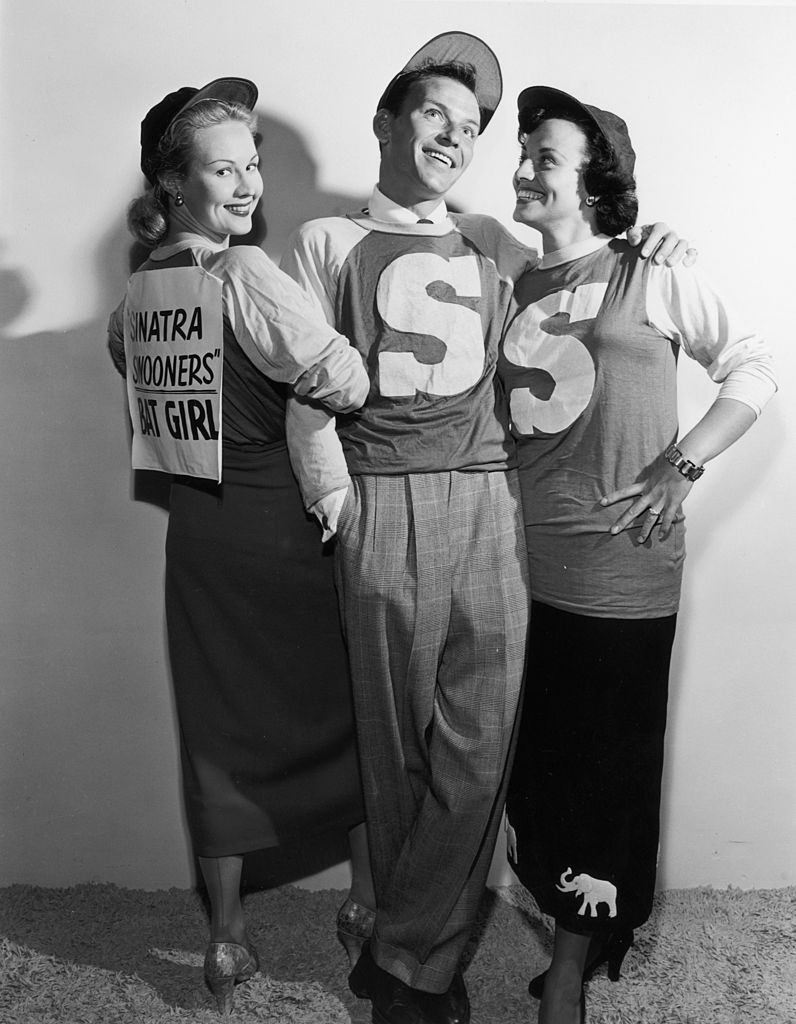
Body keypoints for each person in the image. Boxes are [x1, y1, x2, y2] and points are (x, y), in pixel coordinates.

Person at [281, 33, 692, 1024]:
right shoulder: (326, 241)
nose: (455, 138)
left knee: (479, 752)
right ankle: (418, 961)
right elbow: (301, 386)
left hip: (496, 509)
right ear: (386, 122)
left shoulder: (498, 241)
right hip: (386, 501)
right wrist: (339, 505)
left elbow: (580, 269)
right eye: (435, 115)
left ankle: (406, 959)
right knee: (397, 750)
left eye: (470, 128)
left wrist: (649, 244)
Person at [501, 86, 777, 1024]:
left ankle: (571, 976)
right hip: (512, 567)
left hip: (621, 571)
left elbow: (753, 367)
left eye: (546, 155)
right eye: (526, 150)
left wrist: (682, 461)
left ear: (595, 181)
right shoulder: (507, 278)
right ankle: (562, 929)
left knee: (601, 774)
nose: (525, 166)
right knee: (532, 770)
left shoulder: (648, 271)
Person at [107, 78, 375, 1014]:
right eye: (226, 167)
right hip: (283, 529)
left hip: (201, 538)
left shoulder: (142, 291)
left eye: (253, 162)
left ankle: (223, 942)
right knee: (348, 709)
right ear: (176, 186)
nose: (250, 183)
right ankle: (366, 911)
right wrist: (311, 387)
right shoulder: (247, 274)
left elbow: (136, 377)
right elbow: (346, 376)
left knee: (216, 725)